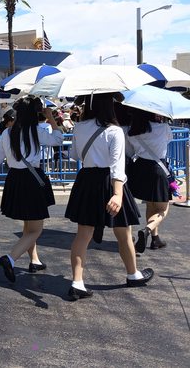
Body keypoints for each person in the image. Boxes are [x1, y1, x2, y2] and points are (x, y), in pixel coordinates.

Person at [65, 93, 154, 301]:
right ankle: (133, 274)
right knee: (123, 233)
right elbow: (117, 166)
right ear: (109, 106)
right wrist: (117, 194)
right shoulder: (114, 130)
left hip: (87, 180)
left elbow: (74, 155)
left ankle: (77, 282)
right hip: (109, 181)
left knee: (83, 234)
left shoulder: (79, 127)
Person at [0, 97, 63, 283]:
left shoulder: (7, 132)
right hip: (32, 180)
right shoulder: (36, 131)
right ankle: (10, 258)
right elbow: (58, 139)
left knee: (28, 224)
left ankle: (34, 260)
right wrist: (51, 118)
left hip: (15, 180)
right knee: (36, 229)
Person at [126, 108, 173, 252]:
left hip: (140, 169)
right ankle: (147, 230)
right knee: (163, 208)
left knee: (150, 204)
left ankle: (155, 238)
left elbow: (130, 150)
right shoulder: (163, 127)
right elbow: (169, 139)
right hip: (158, 169)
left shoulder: (132, 130)